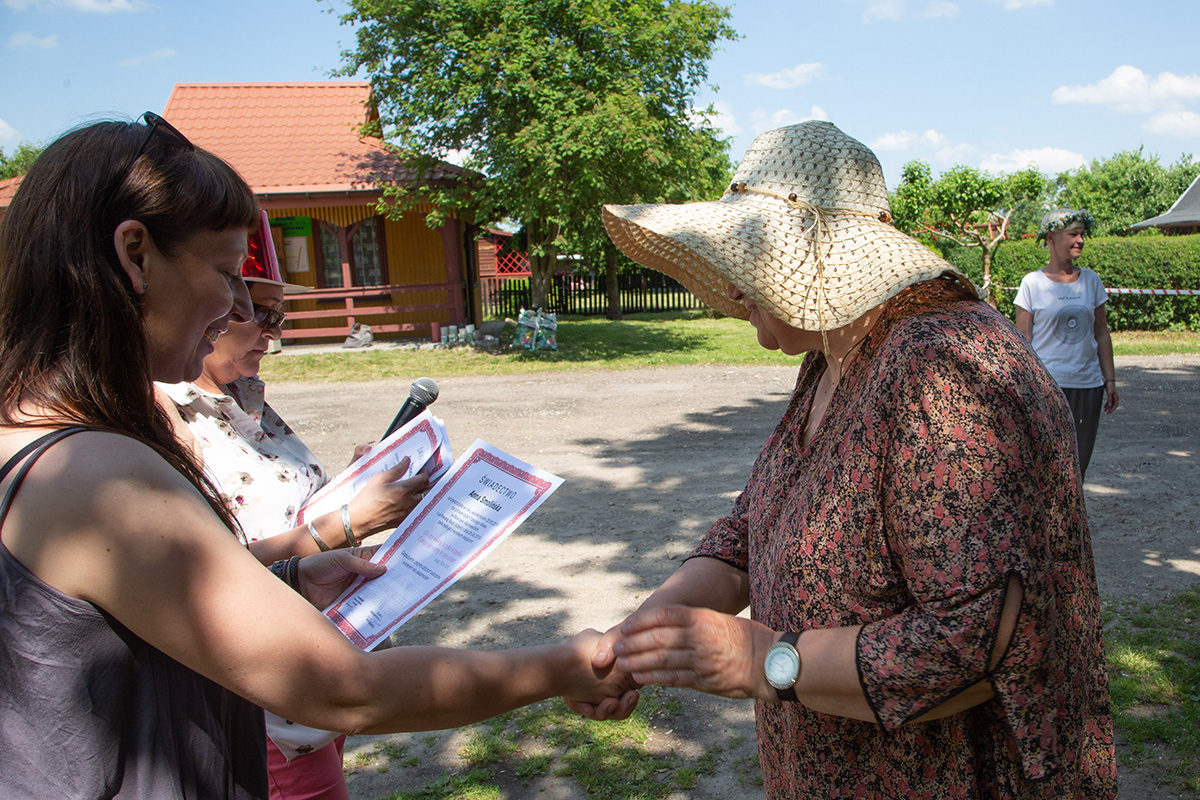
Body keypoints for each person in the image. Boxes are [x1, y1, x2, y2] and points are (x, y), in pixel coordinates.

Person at [0, 113, 636, 800]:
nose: (238, 306)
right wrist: (563, 666)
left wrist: (292, 579)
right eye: (226, 272)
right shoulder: (99, 479)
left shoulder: (31, 436)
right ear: (136, 254)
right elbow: (342, 690)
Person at [576, 121, 1117, 798]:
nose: (734, 292)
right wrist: (636, 640)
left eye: (749, 265)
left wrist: (765, 660)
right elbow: (753, 528)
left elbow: (978, 642)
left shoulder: (940, 368)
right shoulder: (837, 351)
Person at [155, 211, 429, 800]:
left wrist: (352, 486)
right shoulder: (162, 413)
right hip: (257, 697)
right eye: (258, 312)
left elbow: (277, 505)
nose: (271, 334)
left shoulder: (241, 395)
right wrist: (348, 523)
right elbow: (199, 572)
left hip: (309, 666)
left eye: (279, 317)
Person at [1014, 209, 1118, 478]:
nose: (1080, 240)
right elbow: (1023, 343)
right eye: (1073, 234)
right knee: (1048, 465)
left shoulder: (1091, 281)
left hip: (1087, 386)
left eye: (1082, 234)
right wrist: (1023, 389)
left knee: (1078, 466)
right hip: (1047, 388)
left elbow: (1101, 333)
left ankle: (1074, 508)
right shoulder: (1032, 284)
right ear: (1051, 238)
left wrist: (1110, 380)